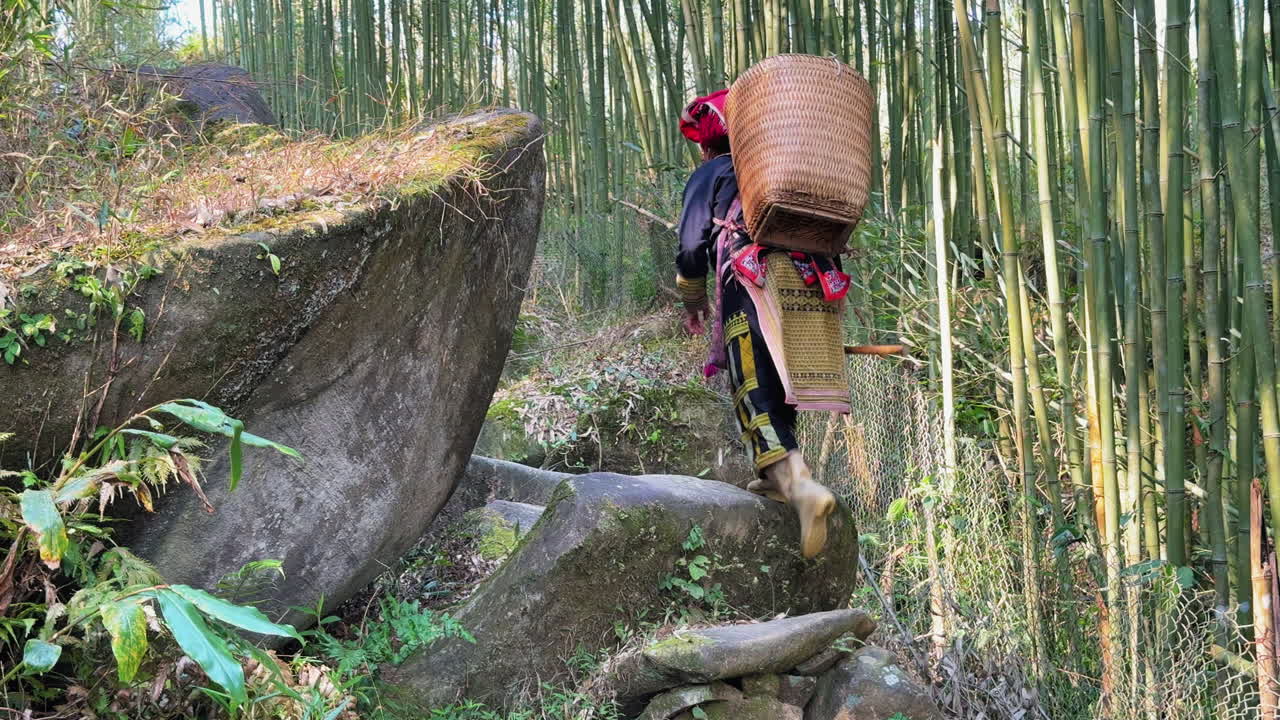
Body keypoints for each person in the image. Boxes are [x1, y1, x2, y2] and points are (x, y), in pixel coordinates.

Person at [674, 89, 849, 559]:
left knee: (751, 385)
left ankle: (801, 487)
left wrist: (692, 296)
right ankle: (776, 478)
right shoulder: (783, 172)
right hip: (810, 280)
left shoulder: (717, 171)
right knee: (778, 383)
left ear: (711, 141)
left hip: (751, 278)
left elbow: (692, 243)